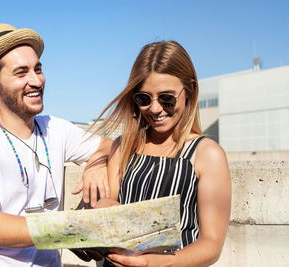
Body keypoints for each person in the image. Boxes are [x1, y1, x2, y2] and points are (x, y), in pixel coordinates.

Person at [0, 23, 112, 266]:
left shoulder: (55, 128)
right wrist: (72, 231)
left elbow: (110, 144)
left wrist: (97, 162)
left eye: (38, 69)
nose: (36, 81)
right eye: (21, 73)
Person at [92, 41, 231, 266]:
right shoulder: (122, 146)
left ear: (190, 91)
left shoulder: (208, 154)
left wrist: (151, 263)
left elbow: (212, 245)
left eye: (166, 98)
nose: (155, 109)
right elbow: (113, 208)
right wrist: (102, 208)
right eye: (144, 99)